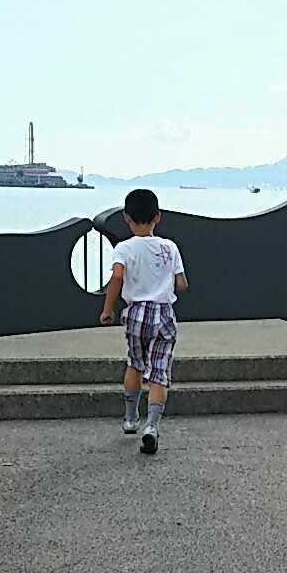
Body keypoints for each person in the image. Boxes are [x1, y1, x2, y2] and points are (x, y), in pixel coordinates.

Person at [99, 188, 188, 454]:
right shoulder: (170, 247)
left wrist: (107, 309)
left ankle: (130, 418)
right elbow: (181, 283)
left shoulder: (124, 248)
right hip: (163, 313)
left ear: (126, 217)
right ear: (157, 217)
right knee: (159, 371)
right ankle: (152, 426)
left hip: (136, 313)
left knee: (135, 363)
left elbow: (117, 277)